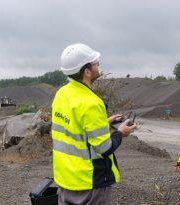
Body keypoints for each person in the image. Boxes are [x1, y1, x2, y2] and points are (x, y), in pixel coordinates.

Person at [52, 43, 136, 205]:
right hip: (89, 182)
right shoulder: (91, 103)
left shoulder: (62, 94)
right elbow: (103, 148)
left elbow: (73, 128)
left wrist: (104, 123)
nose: (99, 66)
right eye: (95, 63)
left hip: (65, 178)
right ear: (87, 71)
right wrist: (121, 133)